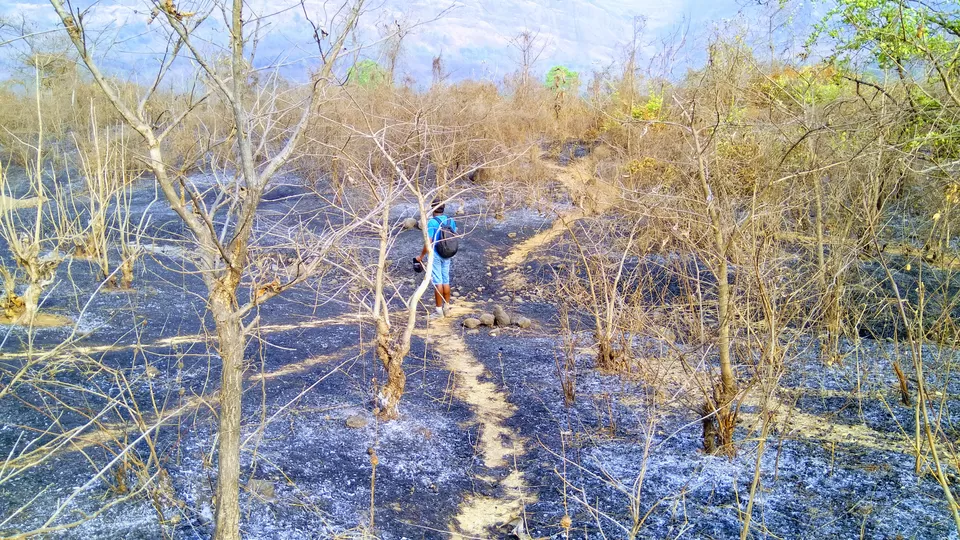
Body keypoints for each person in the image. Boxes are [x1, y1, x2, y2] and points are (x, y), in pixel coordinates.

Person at [416, 199, 457, 318]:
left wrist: (421, 256)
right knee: (446, 280)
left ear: (433, 209)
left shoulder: (432, 223)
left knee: (437, 281)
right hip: (448, 253)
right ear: (443, 208)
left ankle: (438, 311)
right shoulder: (450, 220)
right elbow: (454, 235)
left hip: (436, 254)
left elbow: (429, 241)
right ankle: (446, 306)